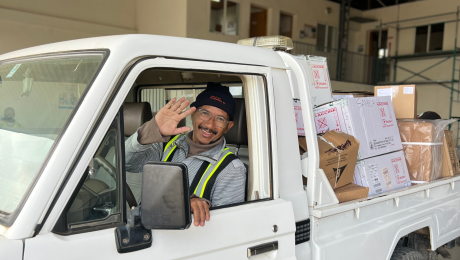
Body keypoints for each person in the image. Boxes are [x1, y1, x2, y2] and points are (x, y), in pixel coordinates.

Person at [125, 83, 246, 227]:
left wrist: (198, 207)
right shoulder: (167, 142)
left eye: (220, 119)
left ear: (229, 126)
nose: (210, 124)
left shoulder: (232, 168)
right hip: (145, 228)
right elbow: (127, 163)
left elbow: (226, 226)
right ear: (193, 114)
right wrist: (152, 129)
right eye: (205, 113)